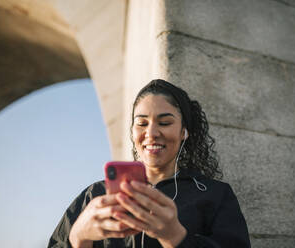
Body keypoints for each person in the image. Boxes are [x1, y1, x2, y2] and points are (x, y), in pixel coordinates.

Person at [48, 79, 251, 248]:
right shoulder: (94, 196)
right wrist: (78, 237)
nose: (151, 133)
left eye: (164, 123)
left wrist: (177, 237)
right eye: (142, 123)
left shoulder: (215, 194)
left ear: (184, 132)